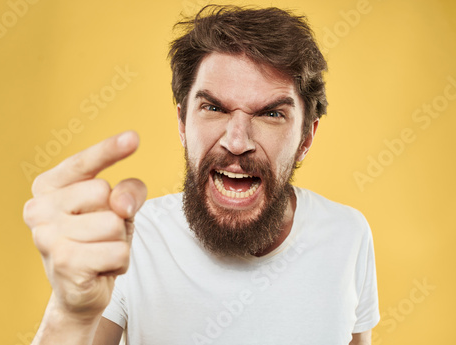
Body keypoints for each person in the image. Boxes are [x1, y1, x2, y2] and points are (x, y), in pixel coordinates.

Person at [23, 5, 379, 345]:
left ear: (306, 138)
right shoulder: (129, 240)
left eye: (271, 114)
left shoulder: (348, 235)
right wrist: (69, 314)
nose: (237, 141)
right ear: (182, 123)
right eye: (213, 108)